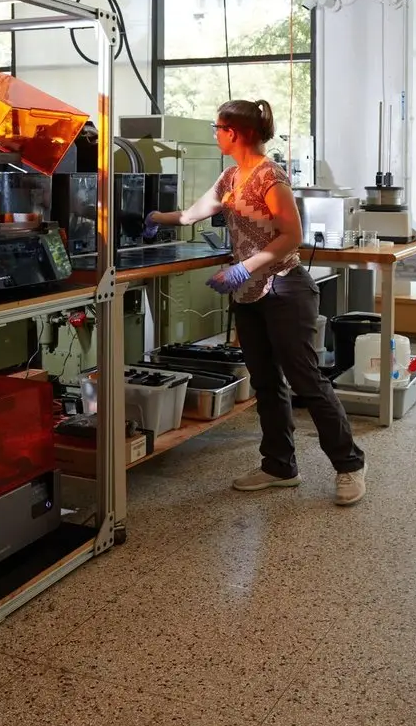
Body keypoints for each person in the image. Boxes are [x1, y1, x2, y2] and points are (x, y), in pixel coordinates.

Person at [144, 99, 368, 506]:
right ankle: (279, 466)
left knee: (307, 381)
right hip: (248, 294)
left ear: (235, 132)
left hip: (284, 288)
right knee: (265, 382)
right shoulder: (230, 177)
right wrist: (156, 218)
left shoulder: (271, 176)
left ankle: (349, 465)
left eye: (217, 127)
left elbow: (290, 236)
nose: (214, 134)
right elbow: (194, 213)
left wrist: (243, 267)